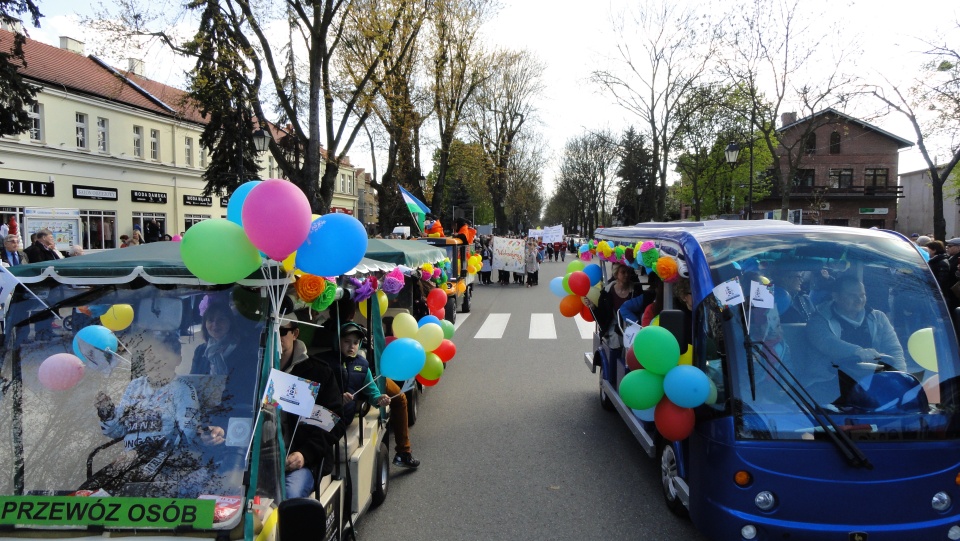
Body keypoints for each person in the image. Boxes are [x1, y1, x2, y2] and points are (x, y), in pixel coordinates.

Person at [84, 338, 219, 494]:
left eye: (163, 357)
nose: (155, 362)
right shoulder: (135, 386)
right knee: (85, 494)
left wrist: (203, 434)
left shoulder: (183, 389)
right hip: (127, 461)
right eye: (150, 357)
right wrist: (107, 414)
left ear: (177, 360)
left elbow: (188, 432)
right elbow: (117, 431)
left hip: (162, 465)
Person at [325, 322, 420, 469]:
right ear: (337, 341)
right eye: (346, 342)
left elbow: (372, 391)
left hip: (343, 419)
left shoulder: (363, 366)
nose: (351, 346)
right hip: (325, 416)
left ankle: (404, 451)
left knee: (399, 399)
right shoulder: (325, 363)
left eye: (355, 343)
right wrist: (337, 399)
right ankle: (404, 451)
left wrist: (379, 399)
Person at [278, 314, 345, 498]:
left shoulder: (318, 373)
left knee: (289, 497)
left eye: (282, 331)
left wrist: (304, 454)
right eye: (271, 331)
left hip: (301, 460)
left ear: (295, 333)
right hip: (260, 458)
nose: (276, 337)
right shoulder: (256, 372)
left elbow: (333, 421)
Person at [806, 274, 906, 370]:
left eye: (862, 295)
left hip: (873, 378)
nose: (859, 300)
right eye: (852, 296)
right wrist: (857, 352)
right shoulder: (819, 319)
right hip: (831, 380)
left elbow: (894, 349)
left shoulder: (879, 317)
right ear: (835, 296)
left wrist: (901, 376)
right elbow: (827, 342)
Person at [584, 263, 643, 348]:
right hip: (613, 327)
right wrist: (592, 306)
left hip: (633, 327)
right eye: (623, 272)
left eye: (628, 272)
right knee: (616, 339)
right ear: (616, 274)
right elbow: (601, 316)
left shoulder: (635, 291)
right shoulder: (606, 292)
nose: (626, 275)